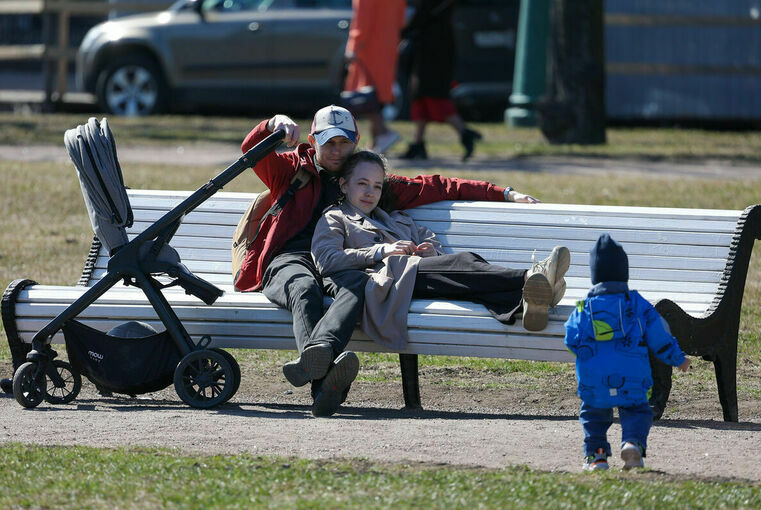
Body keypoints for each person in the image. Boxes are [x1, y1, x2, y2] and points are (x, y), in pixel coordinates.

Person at [237, 104, 539, 417]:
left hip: (341, 262)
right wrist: (272, 124)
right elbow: (250, 151)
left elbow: (436, 186)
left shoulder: (366, 180)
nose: (337, 151)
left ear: (355, 141)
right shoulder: (291, 170)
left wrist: (504, 193)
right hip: (291, 259)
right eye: (328, 142)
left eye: (344, 142)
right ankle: (320, 377)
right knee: (303, 289)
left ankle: (323, 383)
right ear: (313, 140)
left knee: (355, 284)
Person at [311, 150, 571, 351]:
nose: (370, 192)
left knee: (466, 267)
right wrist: (382, 251)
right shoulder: (335, 217)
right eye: (362, 184)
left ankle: (527, 302)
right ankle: (530, 277)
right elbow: (326, 261)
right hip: (386, 283)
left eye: (377, 186)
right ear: (344, 185)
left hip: (415, 276)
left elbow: (429, 239)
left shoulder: (396, 218)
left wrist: (428, 252)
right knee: (463, 261)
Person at [564, 234, 691, 471]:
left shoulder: (584, 306)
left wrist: (585, 354)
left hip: (595, 378)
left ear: (595, 275)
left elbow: (571, 336)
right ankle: (632, 443)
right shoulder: (637, 303)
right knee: (637, 411)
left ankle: (597, 457)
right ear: (625, 273)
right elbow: (659, 333)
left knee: (593, 415)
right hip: (631, 376)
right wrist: (677, 358)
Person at [400, 0, 482, 161]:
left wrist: (405, 30)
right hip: (429, 49)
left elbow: (423, 15)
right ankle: (418, 144)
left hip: (435, 52)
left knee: (434, 98)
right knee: (421, 98)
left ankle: (464, 133)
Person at [344, 0, 405, 154]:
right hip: (388, 43)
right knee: (376, 93)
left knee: (366, 94)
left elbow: (362, 19)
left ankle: (384, 133)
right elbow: (401, 18)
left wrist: (354, 46)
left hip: (370, 47)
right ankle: (376, 142)